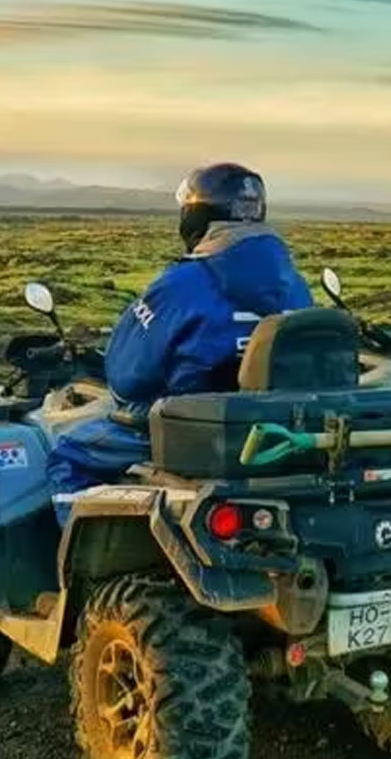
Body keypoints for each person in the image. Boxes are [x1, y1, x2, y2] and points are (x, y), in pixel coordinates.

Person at [48, 162, 313, 516]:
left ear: (196, 217)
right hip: (276, 431)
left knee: (69, 455)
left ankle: (74, 564)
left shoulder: (180, 285)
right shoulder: (295, 285)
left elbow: (126, 380)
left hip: (187, 431)